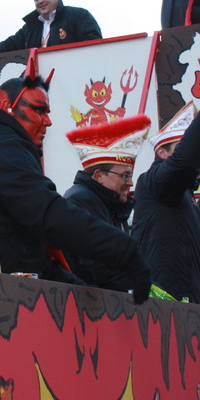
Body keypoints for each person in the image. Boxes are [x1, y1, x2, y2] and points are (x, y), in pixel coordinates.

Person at [0, 56, 151, 301]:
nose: (48, 121)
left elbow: (20, 232)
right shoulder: (2, 143)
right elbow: (48, 215)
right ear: (7, 106)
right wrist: (123, 249)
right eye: (39, 110)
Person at [130, 59, 200, 304]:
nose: (196, 153)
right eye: (182, 146)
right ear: (162, 153)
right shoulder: (154, 182)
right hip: (167, 305)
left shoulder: (183, 194)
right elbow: (184, 162)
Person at [62, 114, 152, 286]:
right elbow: (98, 264)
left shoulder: (111, 205)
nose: (130, 183)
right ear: (99, 176)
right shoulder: (81, 201)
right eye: (125, 175)